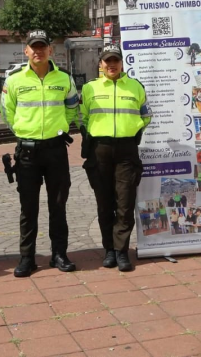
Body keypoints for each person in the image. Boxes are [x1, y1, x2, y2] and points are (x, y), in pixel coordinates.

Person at [3, 30, 80, 277]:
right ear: (26, 50)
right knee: (28, 208)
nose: (38, 51)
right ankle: (27, 258)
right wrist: (23, 132)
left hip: (56, 150)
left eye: (42, 46)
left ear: (50, 50)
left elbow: (72, 108)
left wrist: (61, 128)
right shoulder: (14, 79)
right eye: (33, 47)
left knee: (58, 205)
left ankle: (59, 254)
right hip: (27, 153)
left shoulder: (65, 78)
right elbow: (7, 112)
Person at [81, 44, 152, 271]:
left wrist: (134, 131)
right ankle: (109, 250)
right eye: (107, 61)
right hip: (99, 150)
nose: (111, 64)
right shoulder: (89, 88)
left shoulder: (135, 86)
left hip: (126, 150)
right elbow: (82, 117)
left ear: (122, 63)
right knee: (104, 203)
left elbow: (146, 115)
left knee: (125, 202)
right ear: (100, 64)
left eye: (115, 60)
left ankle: (122, 251)